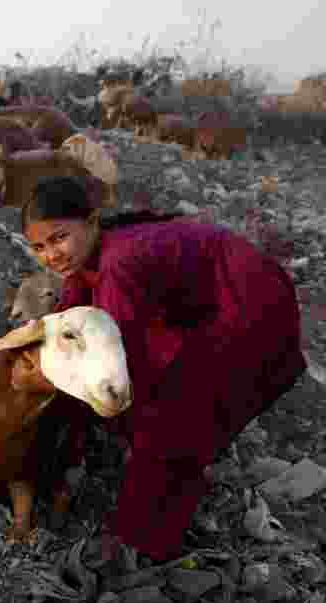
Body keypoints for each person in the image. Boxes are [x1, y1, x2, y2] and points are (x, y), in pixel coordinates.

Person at [21, 175, 307, 563]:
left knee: (175, 418)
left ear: (91, 222)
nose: (52, 255)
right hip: (210, 301)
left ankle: (141, 544)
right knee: (138, 393)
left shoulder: (120, 263)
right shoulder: (91, 259)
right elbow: (70, 318)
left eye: (59, 238)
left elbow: (118, 353)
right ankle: (81, 465)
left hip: (252, 309)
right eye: (39, 246)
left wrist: (61, 380)